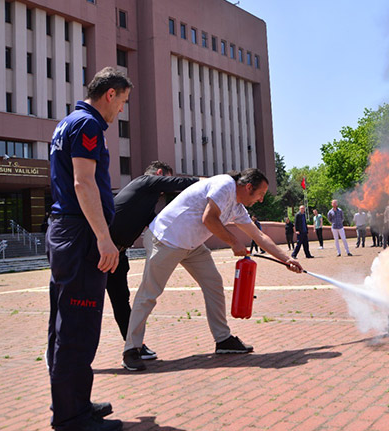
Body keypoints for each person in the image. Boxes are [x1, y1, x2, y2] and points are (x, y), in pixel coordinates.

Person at [121, 168, 303, 371]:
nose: (261, 200)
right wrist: (234, 242)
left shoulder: (237, 207)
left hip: (191, 245)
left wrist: (287, 259)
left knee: (214, 284)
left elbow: (259, 237)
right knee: (149, 293)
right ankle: (131, 350)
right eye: (260, 194)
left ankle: (223, 340)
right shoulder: (224, 185)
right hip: (166, 239)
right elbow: (209, 218)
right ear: (248, 187)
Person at [46, 67, 131, 431]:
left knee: (64, 325)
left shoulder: (68, 122)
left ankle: (73, 404)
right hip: (80, 234)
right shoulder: (89, 125)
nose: (122, 110)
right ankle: (72, 417)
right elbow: (84, 184)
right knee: (78, 328)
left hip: (66, 231)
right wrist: (103, 237)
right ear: (109, 94)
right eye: (123, 101)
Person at [107, 161, 198, 360]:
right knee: (85, 302)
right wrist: (208, 182)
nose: (164, 190)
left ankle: (135, 346)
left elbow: (161, 226)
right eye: (165, 179)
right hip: (99, 252)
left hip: (118, 255)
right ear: (159, 174)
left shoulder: (146, 204)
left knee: (121, 303)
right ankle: (64, 347)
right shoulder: (145, 182)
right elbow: (180, 183)